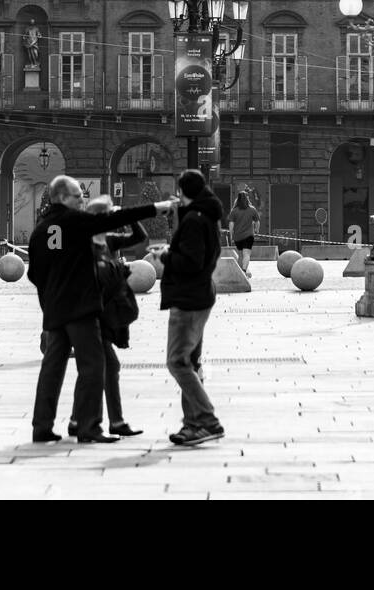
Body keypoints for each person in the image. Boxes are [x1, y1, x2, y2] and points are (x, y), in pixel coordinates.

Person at [27, 174, 174, 444]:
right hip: (81, 308)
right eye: (77, 196)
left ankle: (42, 426)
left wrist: (52, 295)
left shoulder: (42, 229)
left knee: (52, 369)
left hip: (55, 309)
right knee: (93, 366)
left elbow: (34, 274)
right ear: (62, 197)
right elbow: (114, 218)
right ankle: (89, 427)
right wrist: (157, 207)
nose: (82, 200)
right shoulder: (74, 221)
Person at [67, 197, 148, 439]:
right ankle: (111, 422)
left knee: (96, 370)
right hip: (91, 315)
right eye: (111, 214)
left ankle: (77, 420)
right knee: (106, 367)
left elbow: (140, 236)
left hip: (108, 314)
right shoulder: (84, 244)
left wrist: (128, 215)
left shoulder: (109, 240)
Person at [158, 168, 225, 447]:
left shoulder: (195, 221)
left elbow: (190, 261)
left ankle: (207, 419)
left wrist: (165, 255)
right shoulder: (205, 215)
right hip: (200, 294)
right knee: (190, 363)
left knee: (177, 362)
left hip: (188, 299)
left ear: (182, 191)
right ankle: (193, 425)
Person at [227, 190, 260, 275]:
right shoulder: (252, 209)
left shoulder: (234, 211)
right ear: (247, 198)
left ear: (237, 199)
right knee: (247, 254)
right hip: (249, 236)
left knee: (240, 255)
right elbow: (257, 221)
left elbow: (231, 224)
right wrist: (257, 230)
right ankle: (244, 271)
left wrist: (231, 235)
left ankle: (240, 273)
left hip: (238, 237)